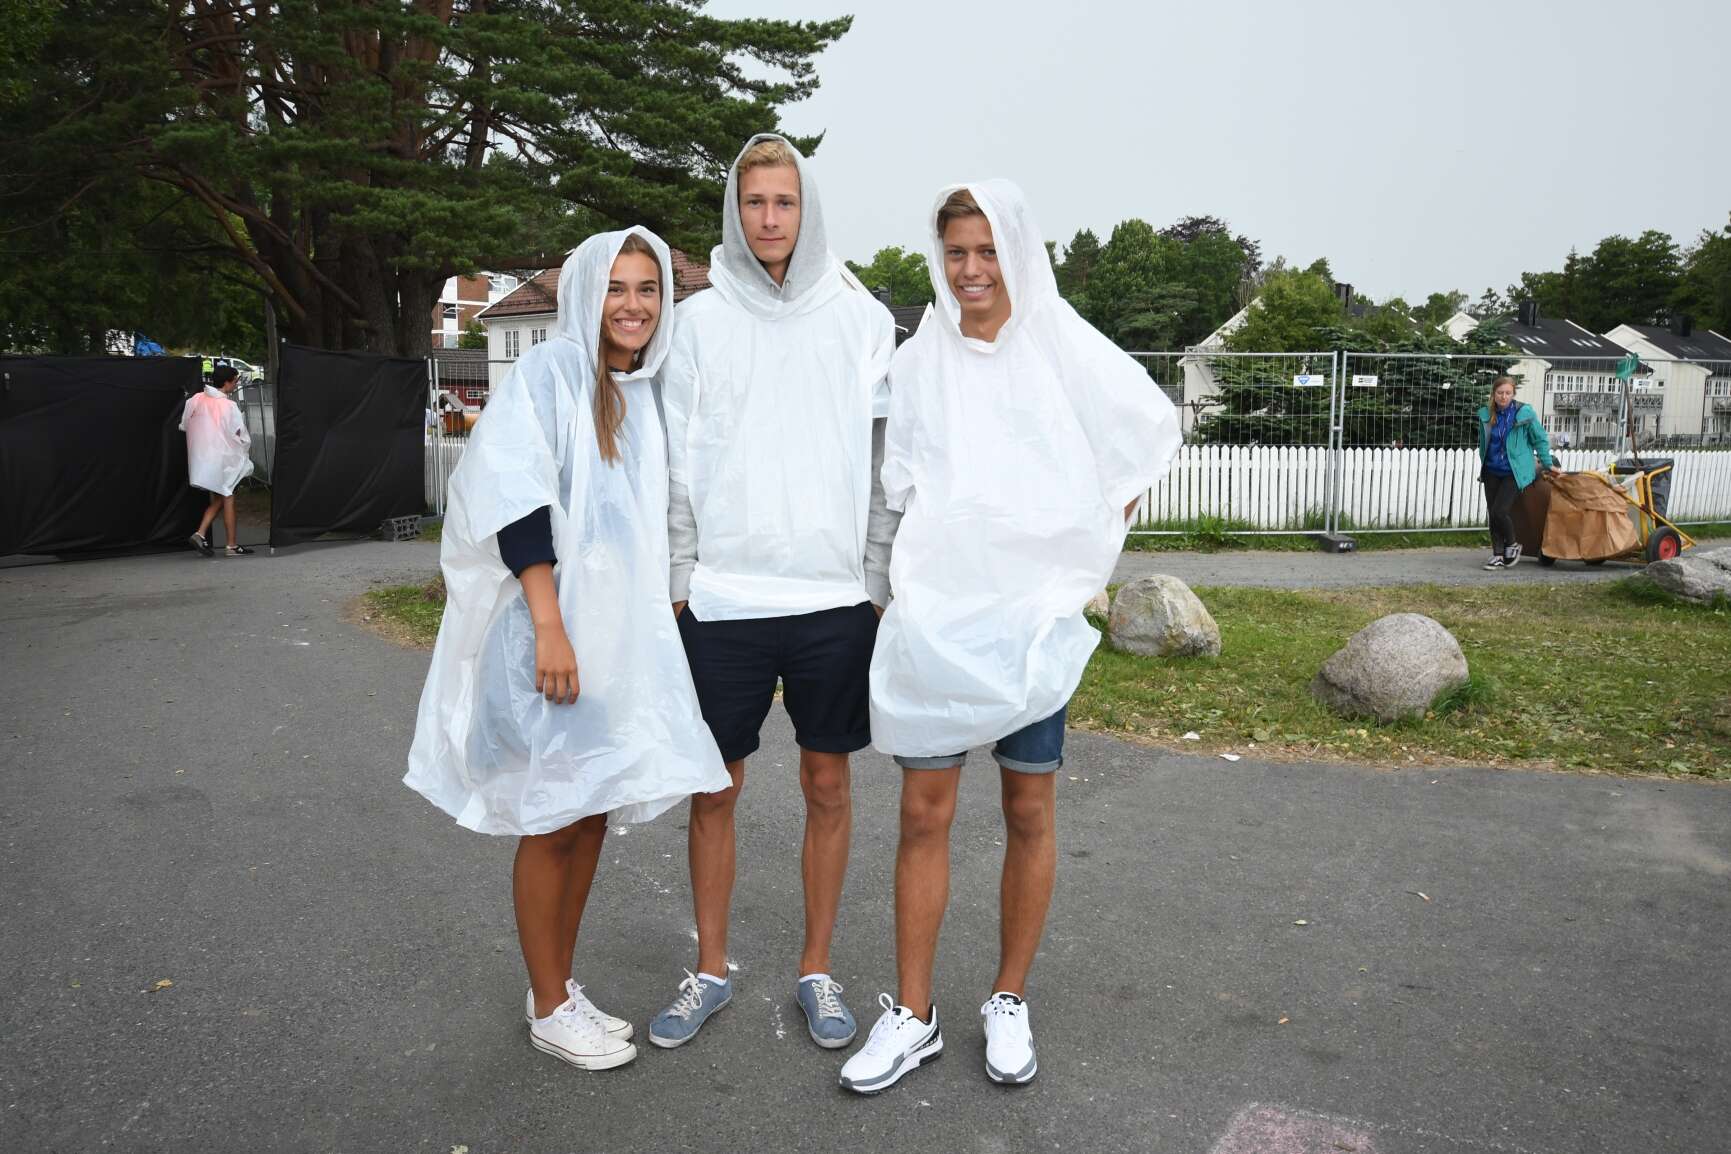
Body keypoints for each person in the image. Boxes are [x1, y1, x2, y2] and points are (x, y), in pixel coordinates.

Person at [838, 182, 1180, 1094]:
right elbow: (895, 484)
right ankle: (914, 1013)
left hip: (1030, 622)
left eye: (987, 251)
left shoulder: (1059, 342)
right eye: (956, 252)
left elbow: (1143, 434)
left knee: (1028, 808)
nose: (971, 270)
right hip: (939, 618)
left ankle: (1008, 997)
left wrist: (1080, 554)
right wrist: (889, 592)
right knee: (923, 813)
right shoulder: (920, 359)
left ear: (1016, 253)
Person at [405, 229, 731, 1072]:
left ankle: (555, 984)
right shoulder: (551, 374)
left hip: (616, 642)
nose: (633, 305)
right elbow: (515, 500)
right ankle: (549, 1004)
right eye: (617, 287)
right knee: (551, 817)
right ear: (587, 294)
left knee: (588, 809)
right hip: (551, 637)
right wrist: (549, 625)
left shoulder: (643, 391)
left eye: (648, 289)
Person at [652, 134, 896, 1051]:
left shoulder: (860, 319)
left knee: (827, 783)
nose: (768, 218)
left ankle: (816, 969)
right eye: (753, 201)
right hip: (723, 601)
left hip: (833, 599)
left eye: (783, 202)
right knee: (714, 789)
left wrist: (873, 578)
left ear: (806, 208)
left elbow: (885, 461)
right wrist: (681, 578)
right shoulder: (697, 324)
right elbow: (676, 462)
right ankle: (710, 969)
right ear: (734, 208)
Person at [1477, 374, 1556, 570]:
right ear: (1493, 394)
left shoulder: (1524, 414)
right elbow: (1484, 443)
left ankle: (1512, 544)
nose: (1503, 397)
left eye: (1507, 393)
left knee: (1500, 511)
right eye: (1500, 393)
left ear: (1513, 394)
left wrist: (1547, 464)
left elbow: (1540, 439)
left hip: (1514, 470)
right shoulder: (1486, 415)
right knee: (1493, 514)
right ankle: (1497, 555)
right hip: (1491, 470)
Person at [181, 364, 255, 557]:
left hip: (201, 457)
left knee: (221, 497)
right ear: (228, 382)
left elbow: (184, 425)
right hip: (223, 458)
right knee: (227, 495)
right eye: (235, 381)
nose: (236, 384)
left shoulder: (195, 399)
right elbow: (239, 433)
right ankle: (231, 545)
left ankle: (200, 534)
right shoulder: (228, 405)